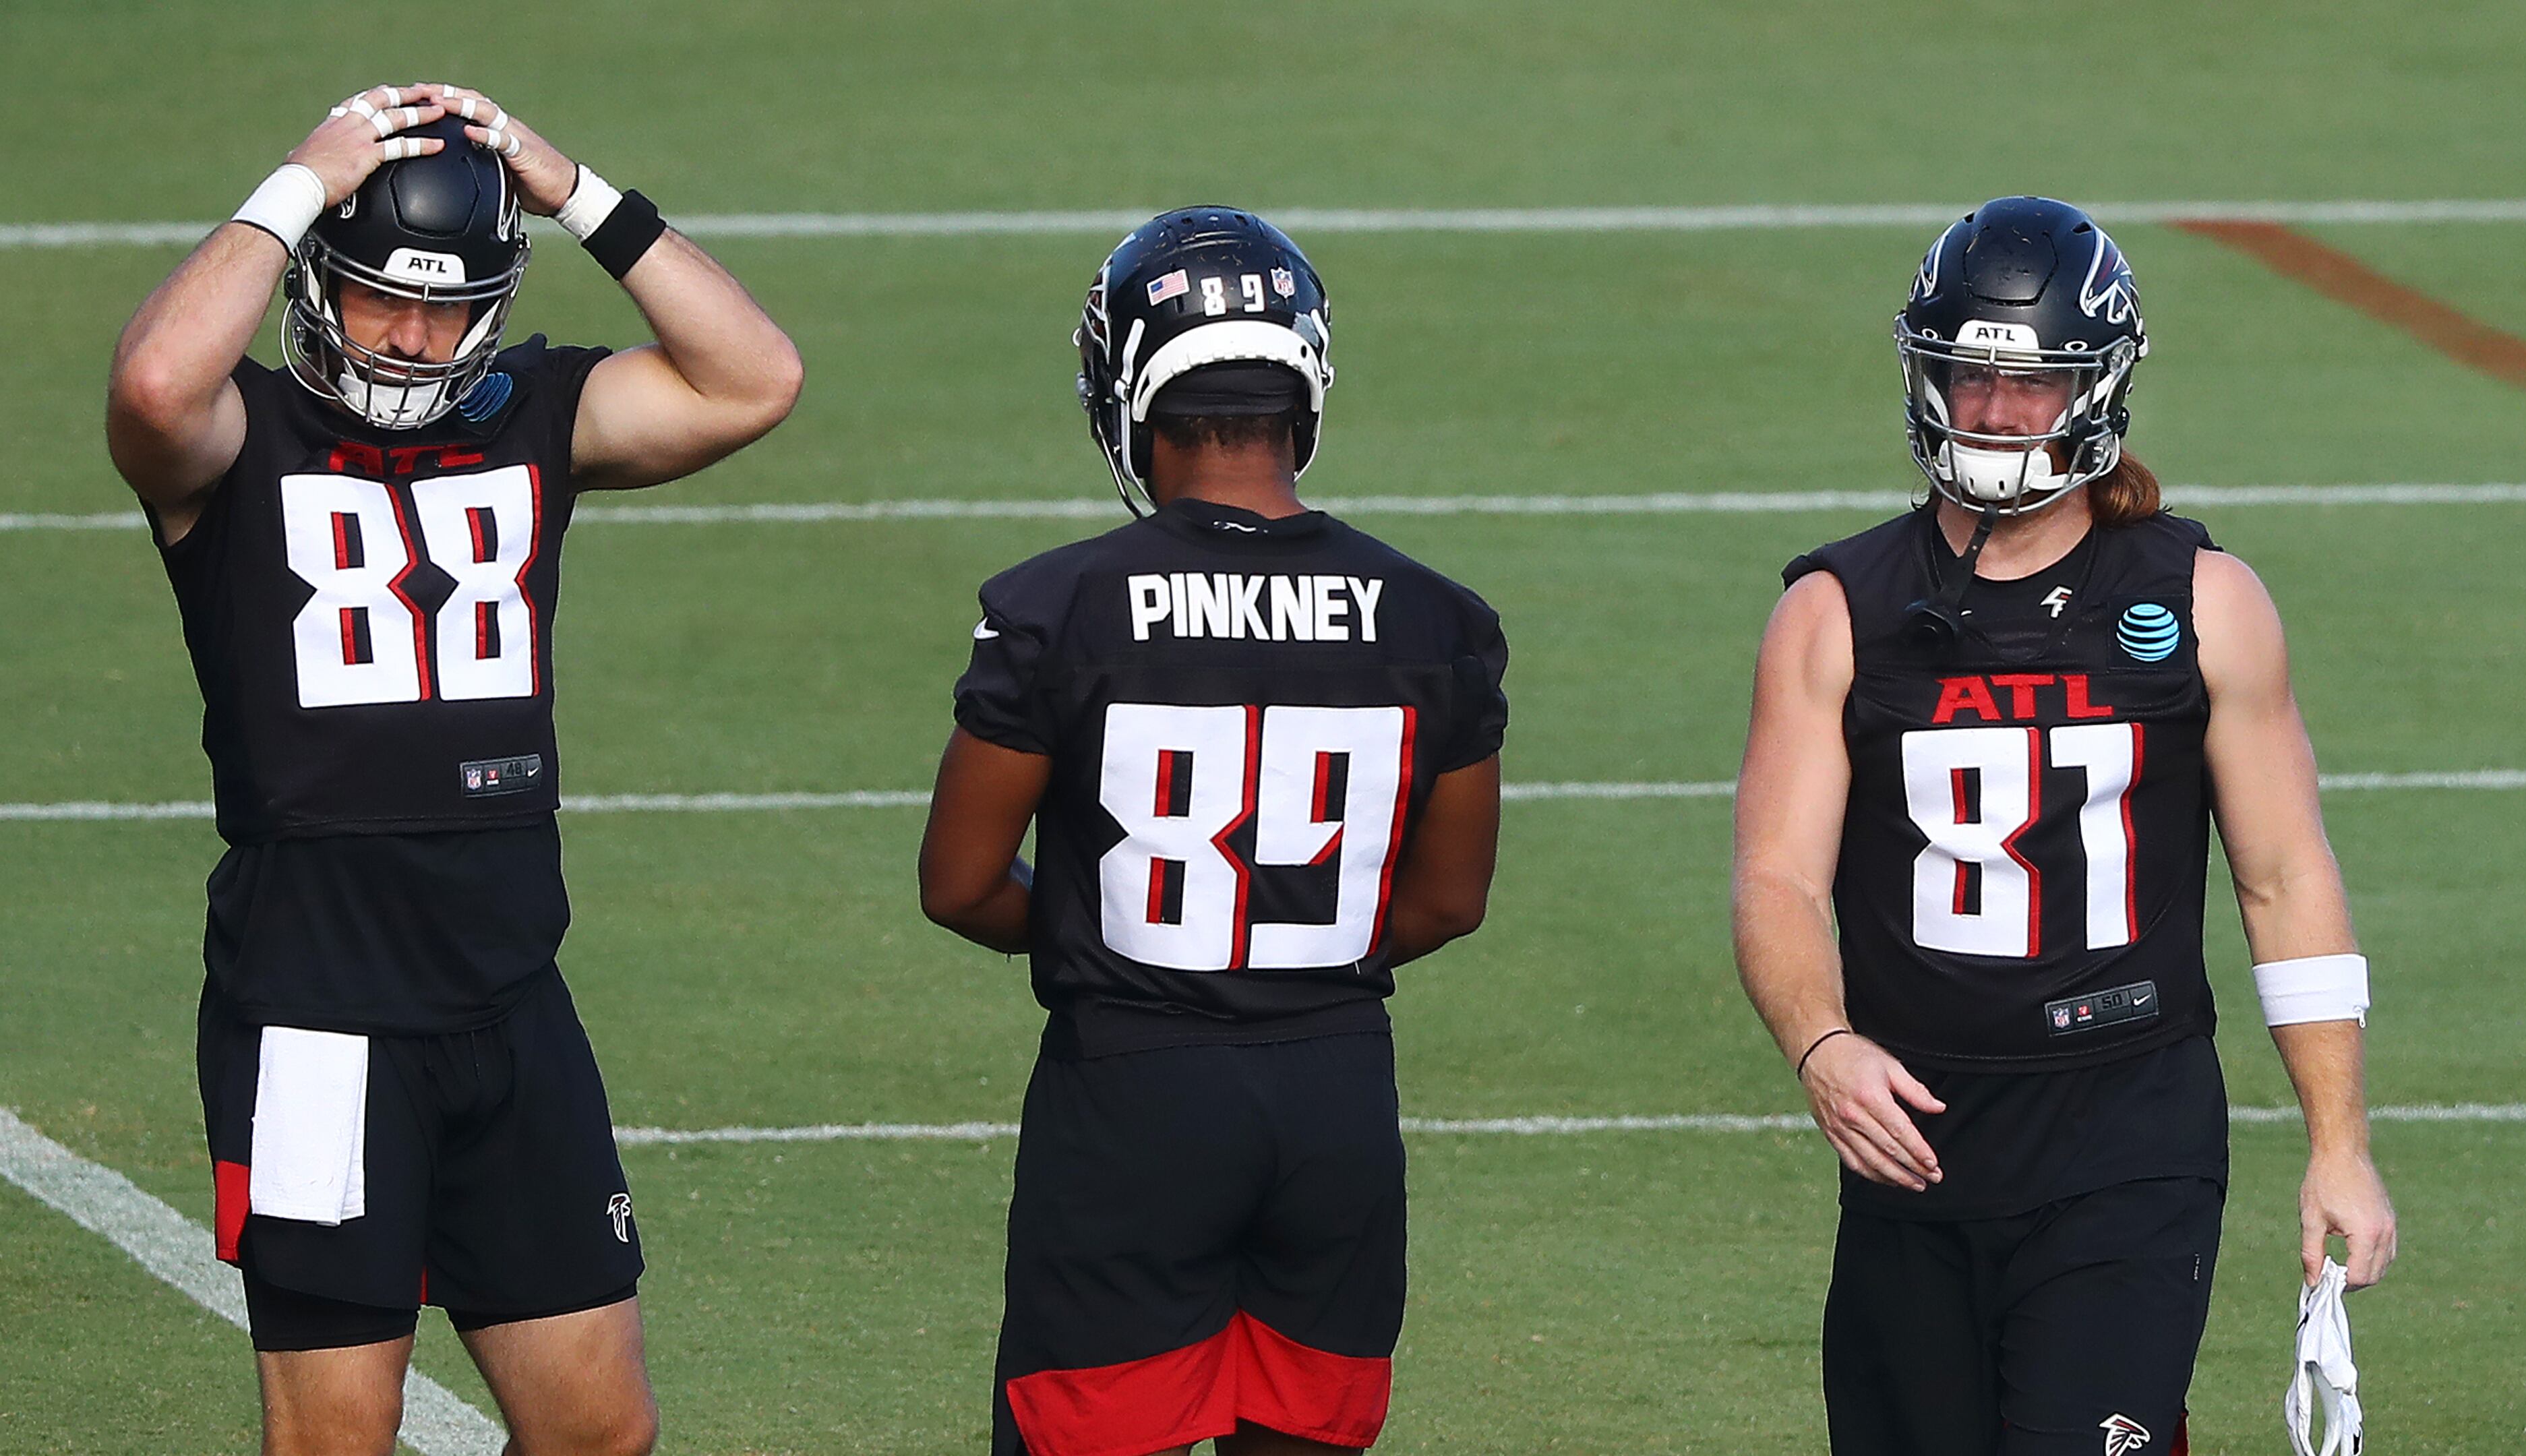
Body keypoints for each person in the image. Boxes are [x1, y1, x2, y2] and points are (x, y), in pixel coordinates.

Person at [104, 84, 801, 1454]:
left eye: (445, 304)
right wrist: (300, 178)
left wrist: (570, 184)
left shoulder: (531, 410)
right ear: (315, 278)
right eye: (377, 299)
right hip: (316, 1021)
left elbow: (754, 376)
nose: (414, 335)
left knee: (604, 1431)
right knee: (337, 1439)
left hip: (510, 1001)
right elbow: (151, 382)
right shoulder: (236, 439)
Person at [1731, 195, 2398, 1455]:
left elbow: (2282, 873)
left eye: (2032, 384)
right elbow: (1775, 877)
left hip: (2127, 1123)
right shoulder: (1834, 610)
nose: (1993, 414)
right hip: (1916, 1135)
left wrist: (2339, 1147)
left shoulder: (2202, 599)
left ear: (2097, 385)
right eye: (1968, 377)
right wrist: (1821, 1045)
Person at [918, 207, 1507, 1456]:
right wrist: (1295, 950)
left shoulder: (1055, 605)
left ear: (1131, 385)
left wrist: (1108, 942)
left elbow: (960, 884)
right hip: (1338, 1096)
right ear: (1303, 380)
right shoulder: (1437, 616)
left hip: (1133, 1093)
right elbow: (1452, 900)